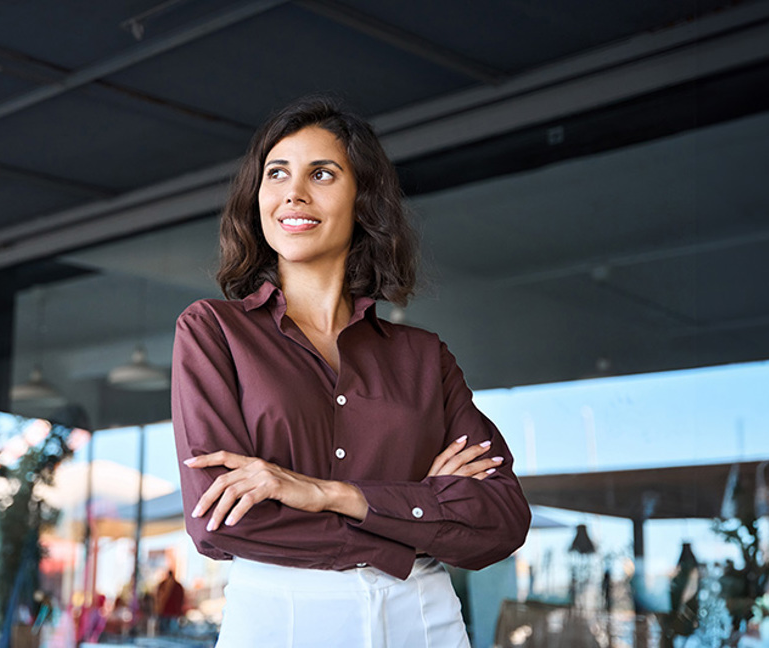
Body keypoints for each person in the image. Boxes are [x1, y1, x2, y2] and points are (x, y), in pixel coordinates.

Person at [171, 96, 531, 647]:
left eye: (322, 173)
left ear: (363, 197)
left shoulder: (424, 358)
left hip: (423, 620)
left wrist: (330, 494)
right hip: (283, 619)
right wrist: (418, 515)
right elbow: (221, 520)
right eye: (276, 173)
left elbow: (501, 518)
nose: (294, 192)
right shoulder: (214, 332)